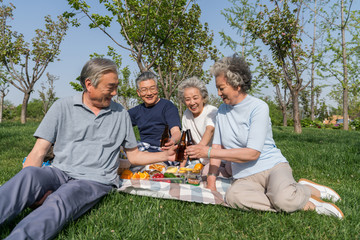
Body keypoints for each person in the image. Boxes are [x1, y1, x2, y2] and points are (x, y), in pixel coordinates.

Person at [0, 58, 176, 239]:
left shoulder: (120, 114)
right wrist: (31, 188)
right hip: (59, 171)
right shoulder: (62, 106)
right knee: (28, 175)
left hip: (93, 180)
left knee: (60, 201)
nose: (115, 92)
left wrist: (166, 154)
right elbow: (39, 151)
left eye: (116, 86)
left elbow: (134, 156)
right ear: (89, 84)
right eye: (110, 87)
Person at [186, 54, 344, 219]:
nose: (218, 93)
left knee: (283, 199)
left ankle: (306, 192)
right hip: (244, 176)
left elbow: (252, 153)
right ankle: (296, 199)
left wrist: (208, 152)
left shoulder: (258, 107)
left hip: (271, 167)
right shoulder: (222, 112)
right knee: (233, 198)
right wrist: (211, 182)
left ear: (237, 84)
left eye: (221, 88)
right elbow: (217, 147)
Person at [178, 77, 231, 176]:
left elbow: (210, 130)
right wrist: (180, 169)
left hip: (218, 160)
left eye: (195, 98)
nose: (192, 103)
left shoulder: (211, 111)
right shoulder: (186, 115)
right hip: (200, 161)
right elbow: (184, 144)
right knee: (187, 173)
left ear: (203, 97)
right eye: (188, 99)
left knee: (205, 173)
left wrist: (199, 149)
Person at [128, 72, 181, 163]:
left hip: (162, 151)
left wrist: (172, 140)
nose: (149, 93)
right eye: (144, 90)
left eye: (152, 88)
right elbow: (118, 124)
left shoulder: (167, 106)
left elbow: (176, 131)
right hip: (143, 151)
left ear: (157, 89)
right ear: (139, 93)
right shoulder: (136, 111)